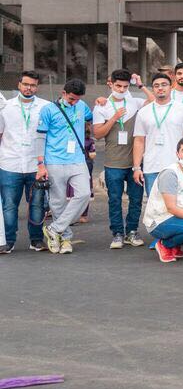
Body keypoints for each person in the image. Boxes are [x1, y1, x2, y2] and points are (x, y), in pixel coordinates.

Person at [35, 79, 94, 254]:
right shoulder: (48, 110)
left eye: (77, 99)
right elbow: (40, 138)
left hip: (77, 160)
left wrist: (101, 102)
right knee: (57, 201)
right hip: (54, 160)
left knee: (84, 194)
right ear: (63, 93)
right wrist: (40, 164)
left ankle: (54, 229)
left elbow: (91, 119)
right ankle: (65, 238)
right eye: (71, 99)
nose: (74, 102)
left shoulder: (82, 105)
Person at [92, 69, 146, 249]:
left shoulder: (135, 102)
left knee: (136, 199)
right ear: (110, 83)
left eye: (125, 86)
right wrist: (114, 118)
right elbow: (98, 134)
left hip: (135, 163)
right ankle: (117, 233)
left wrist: (140, 85)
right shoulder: (101, 106)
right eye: (118, 86)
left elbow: (156, 102)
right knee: (114, 199)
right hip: (112, 163)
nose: (121, 89)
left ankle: (132, 231)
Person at [0, 71, 49, 253]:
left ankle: (36, 239)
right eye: (26, 84)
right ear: (19, 84)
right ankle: (8, 241)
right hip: (9, 163)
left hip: (35, 165)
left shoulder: (45, 107)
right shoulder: (5, 107)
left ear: (37, 87)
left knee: (37, 204)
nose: (29, 88)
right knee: (9, 205)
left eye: (33, 85)